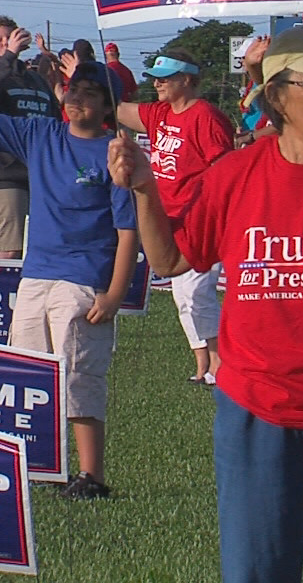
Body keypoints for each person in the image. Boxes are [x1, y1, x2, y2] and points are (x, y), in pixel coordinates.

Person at [108, 25, 303, 582]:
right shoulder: (236, 173)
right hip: (257, 402)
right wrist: (142, 190)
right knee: (258, 571)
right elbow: (172, 262)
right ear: (277, 96)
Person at [0, 53, 138, 500]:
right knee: (26, 377)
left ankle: (91, 476)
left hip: (83, 282)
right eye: (73, 90)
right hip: (35, 276)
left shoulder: (115, 154)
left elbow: (128, 233)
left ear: (105, 107)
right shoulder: (40, 134)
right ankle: (36, 467)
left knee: (79, 376)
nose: (78, 98)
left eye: (91, 94)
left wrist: (115, 293)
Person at [115, 50, 234, 385]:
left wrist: (210, 212)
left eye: (164, 78)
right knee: (183, 296)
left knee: (197, 292)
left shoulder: (204, 116)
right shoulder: (160, 113)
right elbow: (117, 108)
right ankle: (203, 364)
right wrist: (75, 84)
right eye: (155, 77)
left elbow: (224, 169)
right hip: (169, 220)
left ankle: (221, 361)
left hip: (201, 220)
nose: (157, 83)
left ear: (187, 79)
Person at [0, 16, 60, 259]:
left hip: (36, 177)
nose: (6, 44)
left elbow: (54, 121)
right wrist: (7, 58)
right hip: (1, 175)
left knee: (32, 251)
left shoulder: (35, 80)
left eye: (10, 38)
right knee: (6, 249)